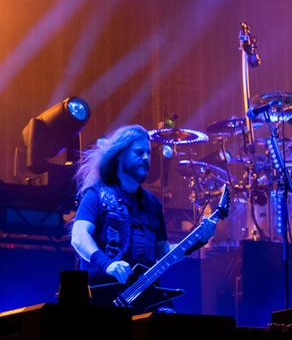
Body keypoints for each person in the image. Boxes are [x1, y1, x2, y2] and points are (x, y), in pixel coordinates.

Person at [70, 124, 216, 308]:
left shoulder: (153, 204)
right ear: (119, 154)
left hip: (144, 298)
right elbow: (79, 236)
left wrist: (198, 240)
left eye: (148, 153)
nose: (146, 158)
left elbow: (163, 253)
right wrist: (107, 264)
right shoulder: (97, 195)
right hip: (104, 300)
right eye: (139, 153)